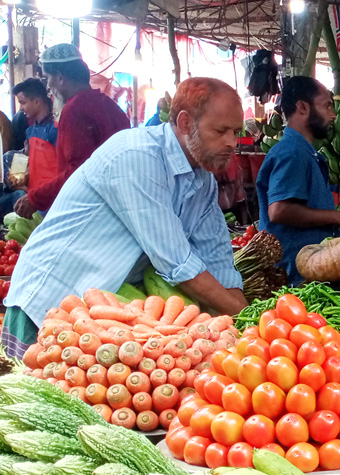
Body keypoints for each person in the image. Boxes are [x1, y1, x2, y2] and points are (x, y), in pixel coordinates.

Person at [2, 77, 249, 359]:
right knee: (33, 400)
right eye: (221, 131)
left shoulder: (202, 181)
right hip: (49, 299)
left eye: (235, 132)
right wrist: (243, 317)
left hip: (98, 319)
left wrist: (249, 323)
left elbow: (216, 256)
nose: (232, 142)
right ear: (184, 123)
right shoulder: (138, 157)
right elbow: (177, 262)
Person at [256, 76, 340, 285]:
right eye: (327, 106)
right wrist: (336, 217)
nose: (333, 114)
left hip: (307, 270)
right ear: (302, 107)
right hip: (295, 276)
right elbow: (279, 210)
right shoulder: (292, 153)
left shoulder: (304, 152)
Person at [12, 44, 129, 218]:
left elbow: (78, 171)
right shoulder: (110, 106)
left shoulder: (74, 109)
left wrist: (35, 199)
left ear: (59, 77)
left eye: (48, 78)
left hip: (90, 210)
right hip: (118, 204)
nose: (49, 87)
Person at [1, 79, 58, 214]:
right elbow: (27, 161)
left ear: (37, 101)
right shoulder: (30, 131)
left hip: (51, 199)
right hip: (33, 197)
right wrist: (17, 177)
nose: (21, 108)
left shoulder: (56, 129)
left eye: (23, 102)